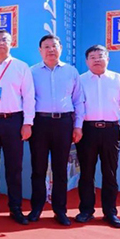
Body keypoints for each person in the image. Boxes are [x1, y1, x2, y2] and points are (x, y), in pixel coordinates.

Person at [0, 29, 35, 225]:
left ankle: (15, 207)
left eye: (5, 39)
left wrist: (27, 123)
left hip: (14, 121)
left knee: (14, 167)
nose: (1, 42)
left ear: (11, 43)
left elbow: (29, 97)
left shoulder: (21, 67)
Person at [75, 45, 120, 228]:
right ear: (86, 61)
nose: (96, 60)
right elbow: (77, 106)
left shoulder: (118, 79)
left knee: (110, 173)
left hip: (111, 130)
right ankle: (86, 210)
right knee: (86, 172)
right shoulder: (80, 80)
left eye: (100, 56)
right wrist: (77, 128)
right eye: (92, 57)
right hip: (87, 131)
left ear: (107, 59)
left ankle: (110, 213)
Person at [29, 34, 84, 226]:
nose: (51, 50)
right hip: (39, 123)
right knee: (38, 168)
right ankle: (36, 208)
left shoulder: (71, 71)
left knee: (60, 169)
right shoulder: (32, 72)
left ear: (61, 48)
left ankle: (60, 210)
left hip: (63, 123)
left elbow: (78, 100)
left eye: (54, 46)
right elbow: (27, 100)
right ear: (40, 50)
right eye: (46, 47)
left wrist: (78, 126)